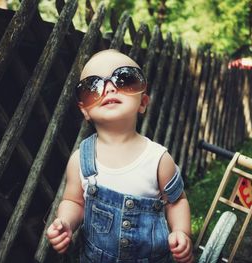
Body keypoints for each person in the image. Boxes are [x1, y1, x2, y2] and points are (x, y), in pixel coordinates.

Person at [46, 49, 193, 263]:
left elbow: (176, 202)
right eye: (92, 86)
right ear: (84, 110)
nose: (110, 88)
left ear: (143, 102)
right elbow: (74, 201)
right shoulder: (80, 159)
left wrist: (181, 232)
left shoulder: (158, 159)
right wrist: (66, 223)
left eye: (125, 79)